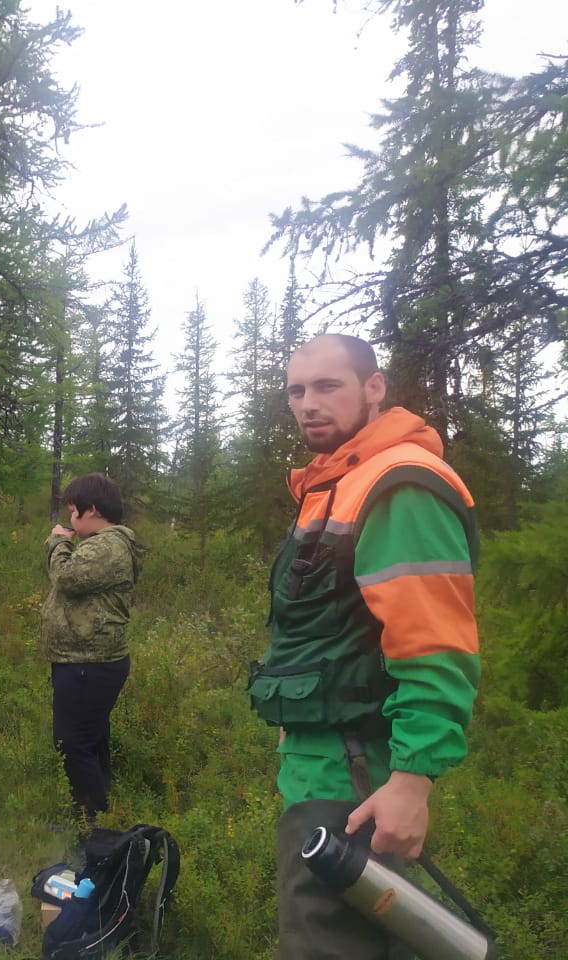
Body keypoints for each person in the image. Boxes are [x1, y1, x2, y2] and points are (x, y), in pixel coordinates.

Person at [249, 334, 480, 960]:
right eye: (297, 391)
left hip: (358, 777)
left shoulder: (400, 484)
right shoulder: (334, 483)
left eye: (328, 386)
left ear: (374, 388)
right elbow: (326, 629)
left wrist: (412, 779)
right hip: (319, 761)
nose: (308, 404)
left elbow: (433, 642)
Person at [40, 472, 143, 824]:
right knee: (91, 738)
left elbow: (67, 579)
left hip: (88, 662)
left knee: (73, 743)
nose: (70, 519)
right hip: (85, 661)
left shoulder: (107, 545)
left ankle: (89, 823)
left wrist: (57, 543)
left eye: (73, 511)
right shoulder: (104, 544)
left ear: (92, 510)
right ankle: (95, 812)